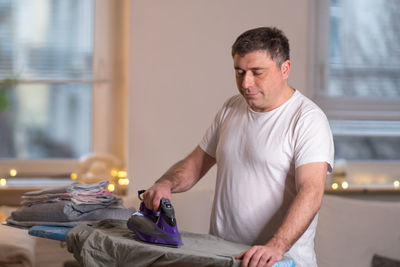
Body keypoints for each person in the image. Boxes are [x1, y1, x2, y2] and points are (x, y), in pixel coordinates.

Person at [143, 27, 334, 267]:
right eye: (239, 72)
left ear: (285, 69)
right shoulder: (231, 108)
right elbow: (195, 164)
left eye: (257, 73)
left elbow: (311, 191)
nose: (246, 83)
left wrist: (276, 246)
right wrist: (165, 183)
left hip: (279, 260)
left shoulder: (307, 119)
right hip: (226, 258)